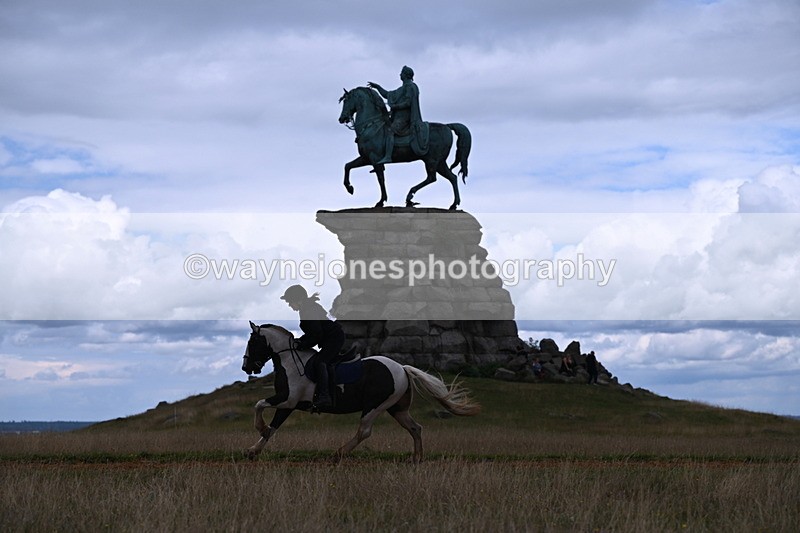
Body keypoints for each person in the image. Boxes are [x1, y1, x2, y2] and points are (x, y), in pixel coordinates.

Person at [280, 285, 345, 409]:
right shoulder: (305, 309)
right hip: (328, 339)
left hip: (334, 339)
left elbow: (317, 335)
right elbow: (312, 333)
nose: (289, 305)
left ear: (297, 300)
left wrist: (303, 344)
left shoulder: (309, 309)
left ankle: (325, 397)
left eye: (290, 302)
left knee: (321, 362)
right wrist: (300, 341)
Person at [367, 65, 429, 164]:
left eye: (401, 73)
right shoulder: (402, 88)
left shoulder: (411, 87)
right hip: (397, 117)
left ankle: (388, 156)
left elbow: (408, 103)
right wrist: (377, 87)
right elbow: (387, 95)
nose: (400, 74)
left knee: (390, 131)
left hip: (405, 118)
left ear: (405, 75)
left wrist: (395, 107)